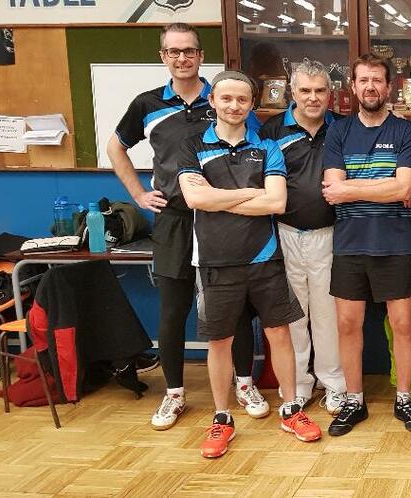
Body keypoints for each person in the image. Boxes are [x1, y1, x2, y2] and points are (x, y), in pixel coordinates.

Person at [108, 23, 262, 431]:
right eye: (173, 51)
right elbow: (115, 147)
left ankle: (244, 384)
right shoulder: (147, 104)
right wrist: (138, 193)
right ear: (163, 56)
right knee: (174, 310)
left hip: (226, 218)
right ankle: (174, 392)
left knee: (235, 308)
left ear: (200, 55)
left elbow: (257, 148)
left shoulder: (223, 96)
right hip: (175, 219)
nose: (182, 58)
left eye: (189, 51)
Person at [177, 70, 323, 458]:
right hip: (216, 262)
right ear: (212, 101)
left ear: (252, 105)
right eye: (226, 98)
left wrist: (220, 196)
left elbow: (276, 202)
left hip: (265, 258)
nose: (234, 106)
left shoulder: (267, 147)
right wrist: (249, 193)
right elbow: (196, 200)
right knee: (220, 341)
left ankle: (291, 410)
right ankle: (222, 418)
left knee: (280, 334)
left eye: (242, 100)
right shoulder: (192, 147)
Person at [321, 54, 411, 436]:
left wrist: (352, 188)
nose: (370, 87)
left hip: (395, 244)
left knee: (402, 325)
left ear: (389, 86)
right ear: (353, 86)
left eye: (377, 80)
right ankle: (354, 400)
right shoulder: (338, 132)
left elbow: (404, 188)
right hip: (349, 245)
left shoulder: (406, 131)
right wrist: (384, 187)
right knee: (348, 325)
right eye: (363, 80)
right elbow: (331, 190)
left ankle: (404, 398)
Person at [258, 59, 347, 416]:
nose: (313, 98)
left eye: (320, 90)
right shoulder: (272, 130)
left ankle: (334, 384)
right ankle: (296, 387)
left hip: (331, 234)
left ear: (330, 93)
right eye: (305, 90)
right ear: (292, 92)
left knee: (328, 316)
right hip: (285, 234)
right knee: (293, 317)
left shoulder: (342, 128)